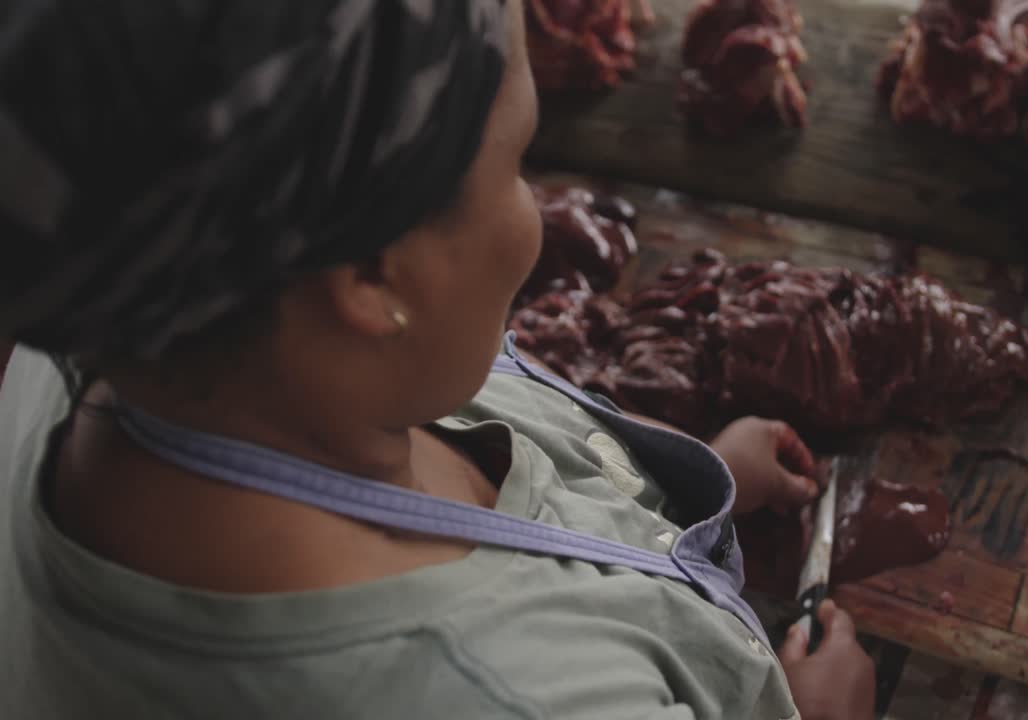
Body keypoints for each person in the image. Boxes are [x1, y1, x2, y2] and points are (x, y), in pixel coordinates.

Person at [0, 1, 875, 718]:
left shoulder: (114, 321)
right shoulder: (516, 697)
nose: (536, 212)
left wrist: (667, 476)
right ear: (375, 274)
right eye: (518, 165)